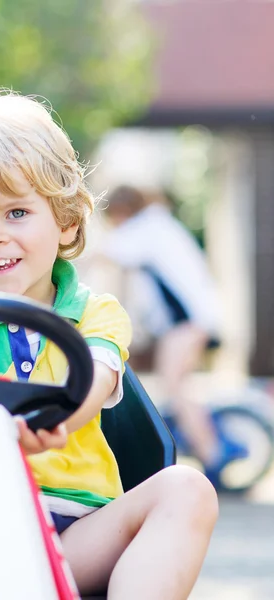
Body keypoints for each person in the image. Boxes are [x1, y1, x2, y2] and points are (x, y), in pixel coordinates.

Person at [0, 91, 218, 599]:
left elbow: (93, 377)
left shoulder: (96, 314)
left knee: (188, 490)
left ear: (66, 221)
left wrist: (54, 416)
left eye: (17, 213)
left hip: (71, 544)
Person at [99, 185, 246, 485]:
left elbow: (106, 252)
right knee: (178, 387)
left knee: (175, 387)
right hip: (194, 319)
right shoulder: (158, 225)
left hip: (188, 322)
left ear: (121, 212)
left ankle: (213, 453)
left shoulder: (147, 228)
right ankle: (210, 439)